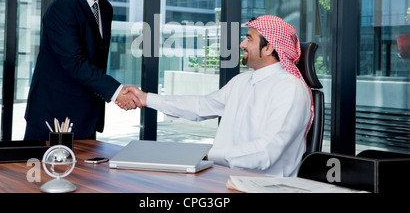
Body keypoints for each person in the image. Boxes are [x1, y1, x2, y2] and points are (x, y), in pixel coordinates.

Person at [120, 15, 313, 177]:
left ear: (269, 47)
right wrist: (146, 98)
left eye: (249, 38)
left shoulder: (290, 89)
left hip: (265, 187)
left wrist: (206, 155)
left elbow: (265, 152)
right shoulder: (242, 81)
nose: (242, 44)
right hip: (224, 179)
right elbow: (200, 106)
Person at [24, 0, 140, 141]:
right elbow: (74, 62)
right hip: (54, 114)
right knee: (42, 170)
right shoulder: (62, 8)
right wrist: (117, 92)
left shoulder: (105, 8)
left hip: (87, 113)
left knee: (84, 171)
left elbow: (96, 59)